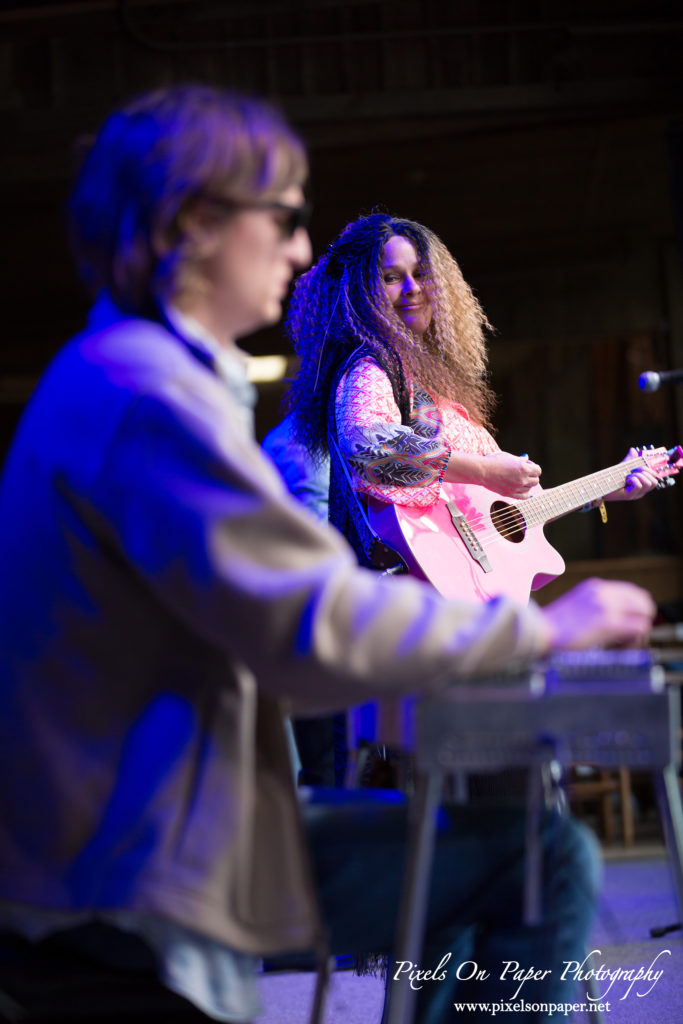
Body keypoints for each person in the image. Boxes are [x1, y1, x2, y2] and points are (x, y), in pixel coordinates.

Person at [0, 86, 657, 1024]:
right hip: (122, 863)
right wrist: (534, 631)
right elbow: (306, 624)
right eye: (287, 215)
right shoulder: (147, 396)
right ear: (194, 220)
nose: (305, 249)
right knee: (543, 856)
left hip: (133, 829)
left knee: (481, 852)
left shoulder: (124, 375)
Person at [284, 212, 660, 573]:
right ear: (360, 294)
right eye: (391, 277)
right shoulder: (372, 365)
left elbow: (508, 514)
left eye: (421, 274)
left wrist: (606, 490)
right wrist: (482, 470)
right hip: (401, 591)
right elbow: (371, 447)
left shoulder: (429, 377)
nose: (413, 288)